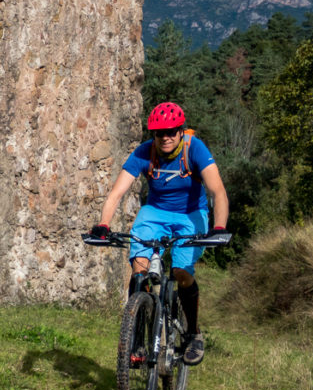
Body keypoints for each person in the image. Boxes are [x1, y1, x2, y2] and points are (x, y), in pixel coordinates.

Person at [91, 101, 229, 365]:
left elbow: (218, 191)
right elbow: (117, 192)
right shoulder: (144, 152)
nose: (165, 137)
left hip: (191, 214)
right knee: (139, 270)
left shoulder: (195, 149)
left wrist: (219, 228)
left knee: (181, 272)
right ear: (152, 135)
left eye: (171, 132)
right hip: (154, 212)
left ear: (180, 131)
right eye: (159, 133)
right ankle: (138, 342)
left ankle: (192, 333)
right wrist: (104, 224)